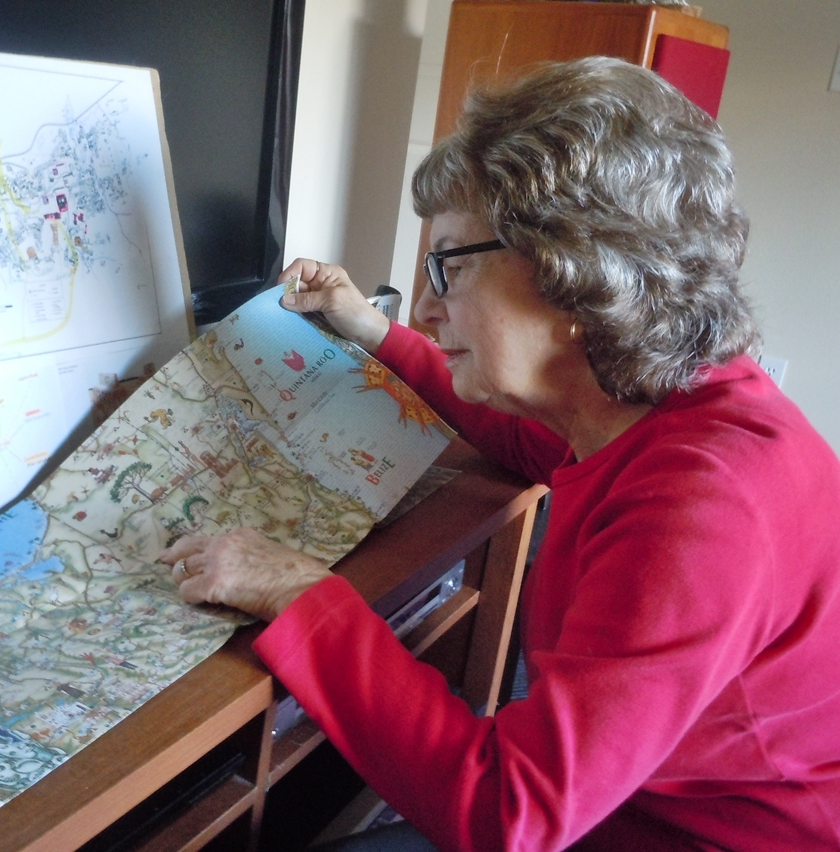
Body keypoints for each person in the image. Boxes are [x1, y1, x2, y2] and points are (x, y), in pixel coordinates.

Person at [159, 57, 840, 851]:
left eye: (449, 264)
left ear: (574, 274)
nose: (424, 304)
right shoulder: (660, 397)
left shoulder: (703, 507)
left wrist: (299, 592)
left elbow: (507, 814)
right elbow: (532, 437)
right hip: (633, 800)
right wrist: (371, 330)